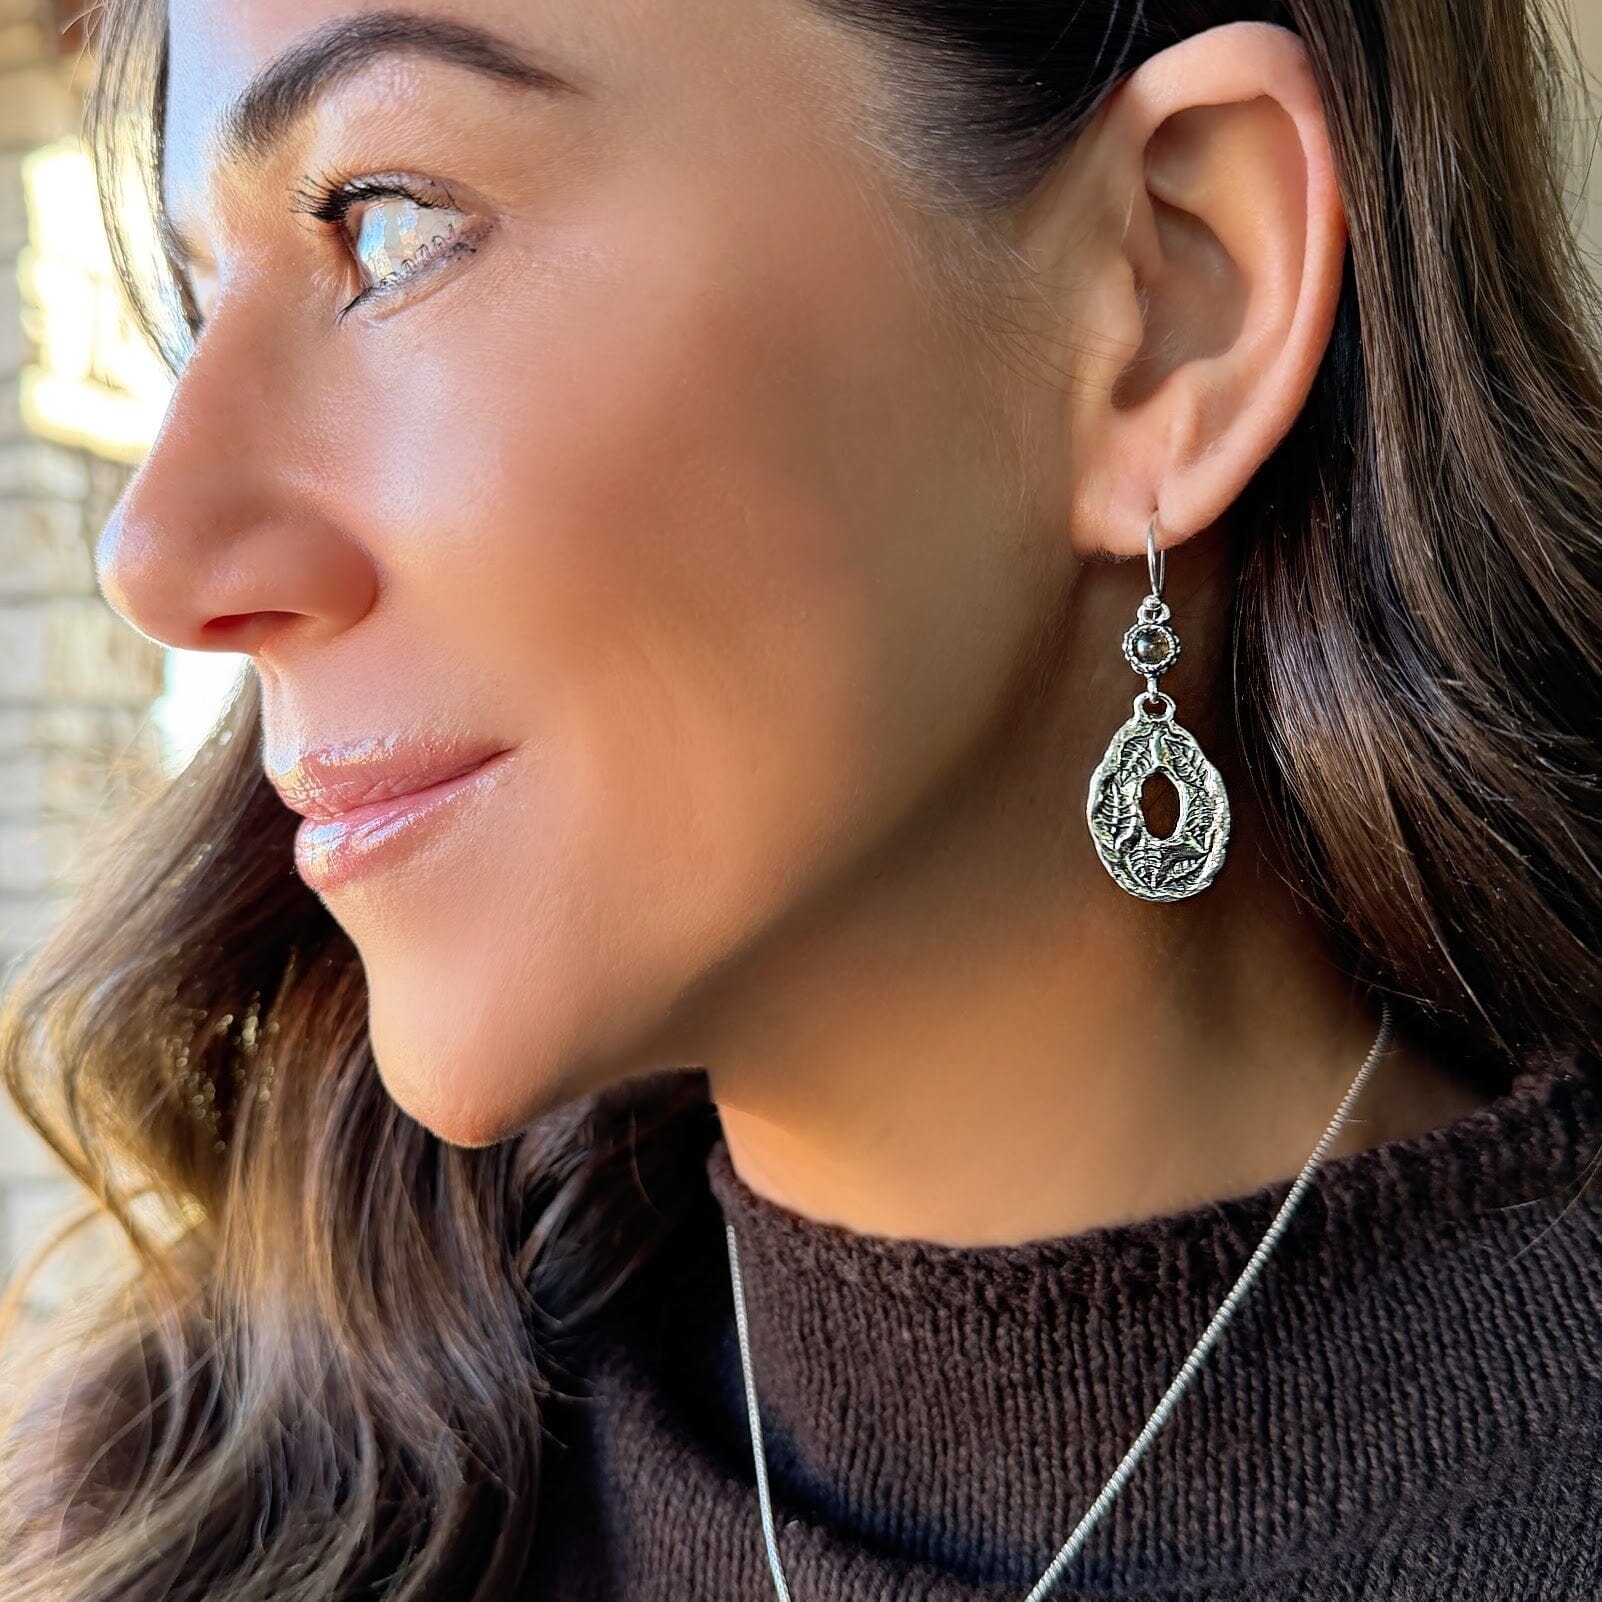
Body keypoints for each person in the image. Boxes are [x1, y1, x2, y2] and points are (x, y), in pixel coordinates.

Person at [2, 0, 1598, 1597]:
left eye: (389, 224)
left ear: (1175, 292)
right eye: (197, 312)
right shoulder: (187, 1520)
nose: (157, 559)